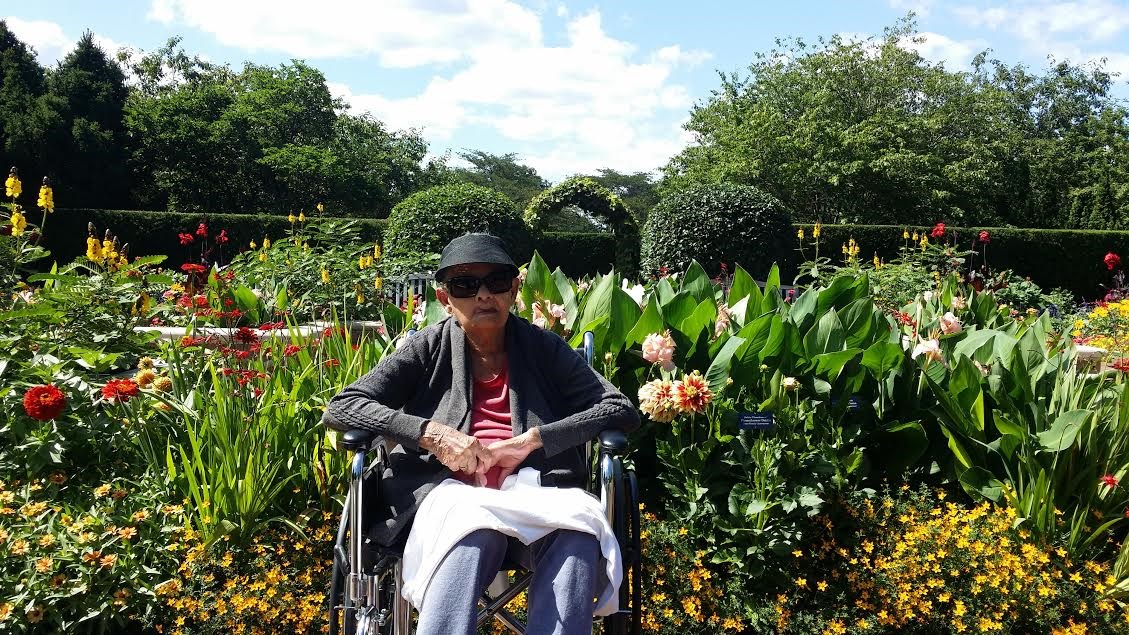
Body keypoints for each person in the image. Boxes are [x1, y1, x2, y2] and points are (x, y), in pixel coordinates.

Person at [323, 232, 640, 635]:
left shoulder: (544, 348)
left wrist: (533, 440)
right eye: (465, 284)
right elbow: (343, 406)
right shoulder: (427, 347)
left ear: (514, 290)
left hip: (540, 492)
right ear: (445, 299)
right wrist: (431, 433)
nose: (484, 294)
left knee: (577, 538)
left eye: (497, 281)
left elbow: (619, 408)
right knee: (472, 535)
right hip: (450, 494)